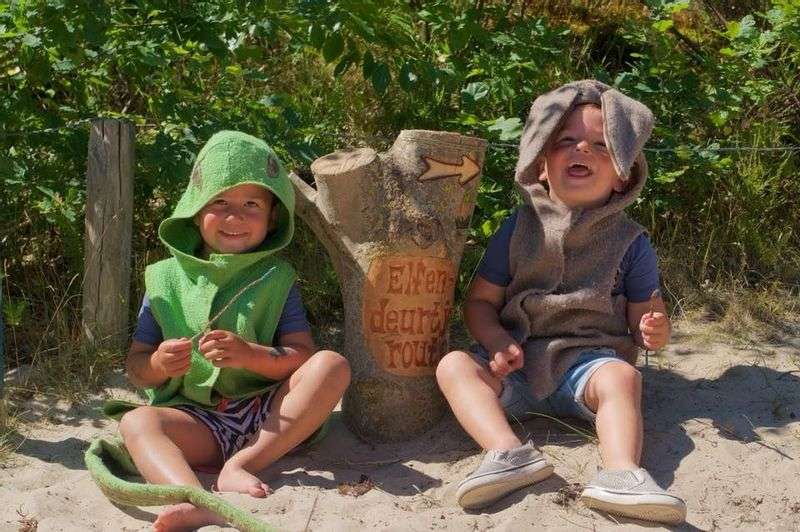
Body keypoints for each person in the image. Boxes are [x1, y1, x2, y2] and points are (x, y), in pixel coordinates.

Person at [436, 80, 686, 524]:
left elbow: (645, 317)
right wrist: (496, 341)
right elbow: (479, 304)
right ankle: (508, 453)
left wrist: (654, 329)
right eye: (565, 141)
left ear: (623, 174)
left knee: (622, 377)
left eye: (600, 145)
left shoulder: (630, 242)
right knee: (454, 365)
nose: (581, 149)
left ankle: (621, 472)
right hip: (513, 367)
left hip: (587, 366)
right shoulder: (517, 229)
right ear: (541, 165)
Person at [118, 131, 351, 531]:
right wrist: (158, 364)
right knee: (137, 423)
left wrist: (251, 355)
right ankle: (190, 499)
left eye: (251, 204)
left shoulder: (276, 278)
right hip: (198, 421)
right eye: (220, 202)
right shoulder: (164, 280)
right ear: (195, 209)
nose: (234, 217)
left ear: (273, 216)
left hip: (271, 415)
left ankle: (243, 464)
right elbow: (136, 368)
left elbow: (301, 356)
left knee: (331, 364)